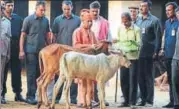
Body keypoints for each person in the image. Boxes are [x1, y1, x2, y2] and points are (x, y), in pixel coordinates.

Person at [19, 1, 50, 105]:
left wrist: (49, 49)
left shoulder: (46, 20)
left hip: (42, 53)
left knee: (39, 74)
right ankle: (30, 96)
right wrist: (21, 50)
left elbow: (47, 36)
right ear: (36, 9)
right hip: (30, 51)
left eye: (44, 10)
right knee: (31, 74)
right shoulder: (28, 20)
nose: (43, 12)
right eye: (41, 10)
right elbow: (23, 35)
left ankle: (36, 95)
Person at [52, 0, 80, 104]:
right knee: (58, 74)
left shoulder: (78, 20)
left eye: (68, 9)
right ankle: (57, 97)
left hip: (73, 52)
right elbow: (54, 35)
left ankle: (73, 98)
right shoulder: (57, 20)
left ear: (72, 7)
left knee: (73, 74)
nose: (67, 11)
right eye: (65, 9)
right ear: (62, 8)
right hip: (60, 52)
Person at [136, 0, 162, 106]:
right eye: (141, 6)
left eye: (144, 6)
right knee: (140, 77)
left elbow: (158, 38)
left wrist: (156, 51)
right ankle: (142, 99)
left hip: (149, 54)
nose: (142, 8)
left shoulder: (155, 20)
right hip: (139, 54)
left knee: (148, 77)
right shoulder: (137, 20)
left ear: (149, 8)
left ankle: (149, 100)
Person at [113, 12, 140, 107]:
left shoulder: (136, 29)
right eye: (123, 21)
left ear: (130, 20)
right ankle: (125, 100)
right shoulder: (120, 28)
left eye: (126, 22)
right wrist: (116, 44)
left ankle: (132, 102)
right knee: (123, 79)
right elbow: (119, 41)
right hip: (123, 58)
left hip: (133, 58)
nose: (124, 23)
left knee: (132, 79)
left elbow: (139, 44)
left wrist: (131, 45)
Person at [73, 9, 98, 108]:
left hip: (91, 62)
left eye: (91, 21)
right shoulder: (77, 31)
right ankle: (82, 101)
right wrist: (90, 47)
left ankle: (90, 100)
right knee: (82, 82)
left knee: (90, 81)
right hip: (81, 61)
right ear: (82, 21)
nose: (90, 23)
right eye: (88, 21)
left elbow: (95, 44)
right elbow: (76, 45)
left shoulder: (92, 33)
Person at [2, 0, 25, 103]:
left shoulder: (19, 19)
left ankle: (18, 93)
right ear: (4, 6)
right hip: (4, 47)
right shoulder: (1, 19)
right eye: (8, 5)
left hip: (15, 47)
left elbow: (22, 36)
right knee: (3, 71)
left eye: (12, 5)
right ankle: (2, 94)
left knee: (17, 71)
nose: (10, 7)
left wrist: (21, 50)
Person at [89, 1, 111, 106]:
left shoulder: (105, 22)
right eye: (93, 11)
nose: (94, 13)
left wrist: (106, 44)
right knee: (90, 75)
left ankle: (102, 98)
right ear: (90, 10)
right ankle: (90, 98)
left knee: (102, 76)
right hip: (90, 52)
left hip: (102, 52)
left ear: (99, 11)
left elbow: (109, 37)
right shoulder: (86, 21)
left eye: (96, 11)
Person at [161, 2, 179, 108]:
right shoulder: (167, 22)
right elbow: (165, 36)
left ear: (175, 10)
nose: (167, 12)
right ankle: (172, 101)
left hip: (176, 56)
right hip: (168, 55)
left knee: (176, 80)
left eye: (169, 10)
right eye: (166, 10)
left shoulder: (178, 22)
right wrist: (162, 49)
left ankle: (177, 102)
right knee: (171, 81)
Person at [0, 2, 11, 104]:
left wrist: (8, 53)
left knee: (1, 75)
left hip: (2, 53)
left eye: (2, 10)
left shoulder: (7, 22)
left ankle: (0, 96)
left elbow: (8, 39)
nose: (2, 11)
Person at [171, 7, 179, 109]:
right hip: (175, 58)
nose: (178, 16)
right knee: (174, 81)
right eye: (177, 14)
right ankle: (177, 103)